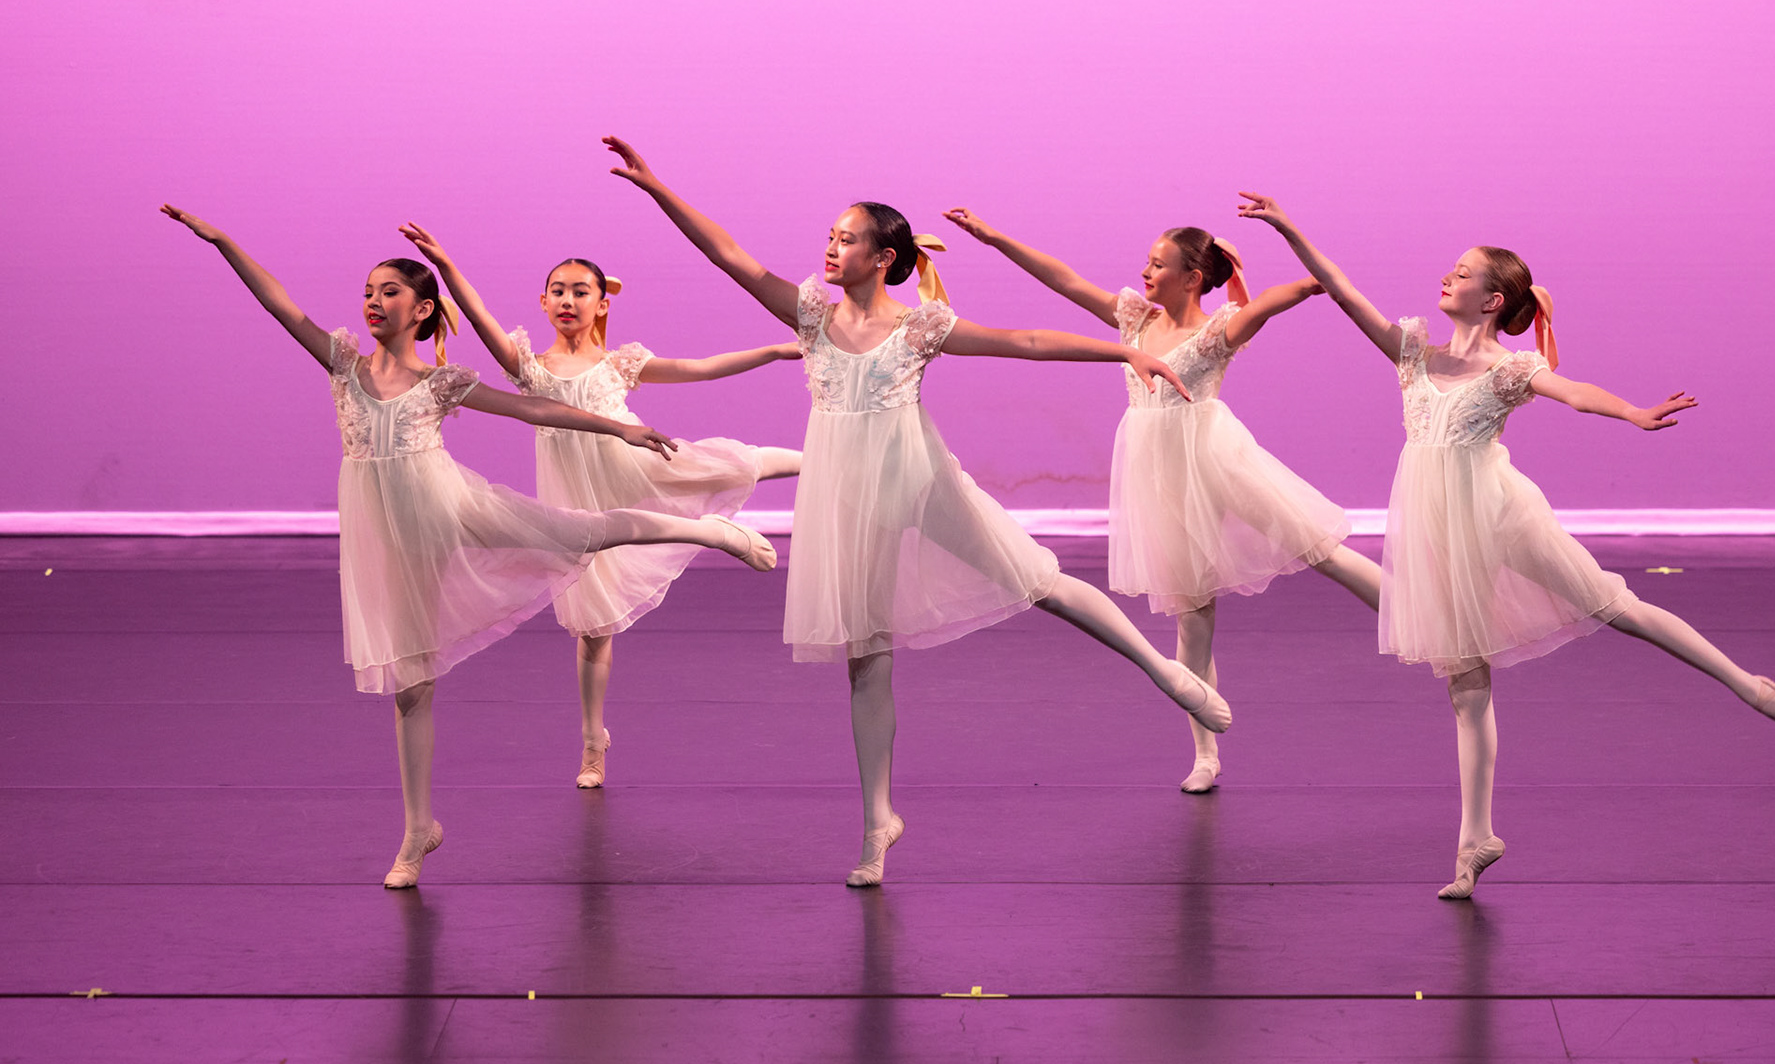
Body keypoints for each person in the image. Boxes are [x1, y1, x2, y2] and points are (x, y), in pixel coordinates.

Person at [602, 138, 1231, 887]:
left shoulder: (919, 327)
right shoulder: (810, 316)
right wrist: (657, 188)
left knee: (1039, 581)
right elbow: (727, 255)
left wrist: (1124, 354)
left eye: (847, 239)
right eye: (831, 236)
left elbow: (1026, 341)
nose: (831, 249)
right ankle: (878, 822)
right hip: (847, 501)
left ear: (883, 257)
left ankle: (1164, 670)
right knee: (866, 656)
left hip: (922, 482)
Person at [162, 205, 777, 888]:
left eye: (389, 291)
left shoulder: (441, 382)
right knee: (410, 685)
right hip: (386, 537)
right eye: (367, 292)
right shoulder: (342, 364)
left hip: (454, 510)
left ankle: (707, 529)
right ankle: (418, 828)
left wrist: (618, 429)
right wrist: (224, 241)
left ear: (423, 309)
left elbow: (533, 407)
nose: (373, 302)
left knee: (582, 531)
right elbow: (280, 303)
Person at [1236, 191, 1775, 900]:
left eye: (1462, 272)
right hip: (1439, 528)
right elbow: (1341, 289)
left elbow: (1573, 391)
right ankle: (1474, 841)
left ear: (1492, 300)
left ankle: (1746, 684)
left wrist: (1632, 412)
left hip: (1502, 516)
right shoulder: (1413, 351)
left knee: (1618, 608)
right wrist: (1288, 225)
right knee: (1465, 681)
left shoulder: (1509, 369)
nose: (1446, 276)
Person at [943, 208, 1382, 793]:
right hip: (1164, 477)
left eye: (1158, 264)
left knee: (1318, 548)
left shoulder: (1220, 329)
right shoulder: (1134, 319)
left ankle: (1410, 614)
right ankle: (1205, 753)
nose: (1145, 271)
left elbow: (1290, 293)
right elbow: (1064, 280)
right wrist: (995, 237)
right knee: (1193, 617)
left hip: (1220, 461)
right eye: (1147, 262)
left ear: (1192, 278)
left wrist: (1294, 244)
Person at [407, 226, 803, 788]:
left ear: (602, 303)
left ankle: (823, 460)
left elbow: (700, 367)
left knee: (732, 464)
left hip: (636, 465)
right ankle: (593, 742)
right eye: (558, 291)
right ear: (543, 302)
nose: (568, 300)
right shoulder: (527, 365)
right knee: (593, 628)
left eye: (580, 291)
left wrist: (775, 350)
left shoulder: (619, 363)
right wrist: (446, 265)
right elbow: (479, 317)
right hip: (576, 495)